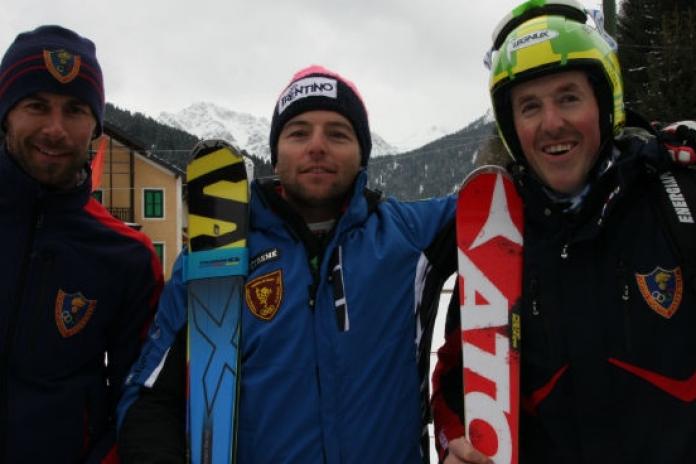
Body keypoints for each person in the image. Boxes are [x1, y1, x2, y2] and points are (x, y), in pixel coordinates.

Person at [116, 65, 456, 463]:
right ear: (275, 156)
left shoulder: (411, 236)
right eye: (298, 133)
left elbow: (499, 203)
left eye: (337, 134)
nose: (317, 146)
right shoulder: (216, 255)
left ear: (362, 155)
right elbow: (152, 400)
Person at [430, 1, 696, 463]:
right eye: (530, 106)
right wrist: (456, 443)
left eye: (569, 97)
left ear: (604, 103)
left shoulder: (677, 200)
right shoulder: (498, 238)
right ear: (512, 126)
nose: (551, 123)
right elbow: (459, 384)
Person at [0, 25, 164, 462]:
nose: (55, 129)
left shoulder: (127, 256)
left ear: (95, 126)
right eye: (37, 105)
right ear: (6, 113)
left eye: (74, 110)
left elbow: (139, 399)